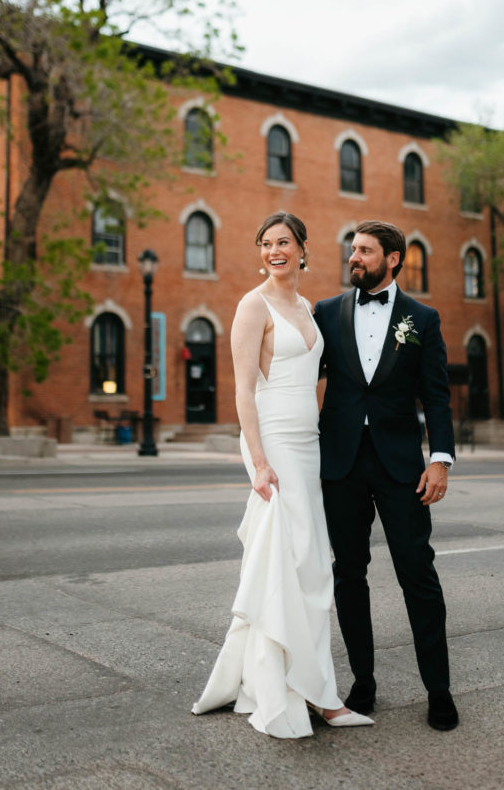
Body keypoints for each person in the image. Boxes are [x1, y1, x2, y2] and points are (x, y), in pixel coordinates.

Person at [191, 212, 373, 738]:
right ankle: (311, 696)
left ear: (302, 249)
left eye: (284, 242)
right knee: (299, 560)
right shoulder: (254, 305)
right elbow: (243, 390)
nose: (275, 250)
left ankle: (302, 685)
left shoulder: (309, 310)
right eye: (267, 243)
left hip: (308, 443)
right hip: (272, 442)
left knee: (310, 566)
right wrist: (260, 460)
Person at [313, 219, 459, 731]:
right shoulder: (326, 312)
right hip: (342, 464)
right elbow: (304, 378)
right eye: (353, 249)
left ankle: (438, 690)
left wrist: (440, 458)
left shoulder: (423, 317)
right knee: (348, 574)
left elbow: (437, 395)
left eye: (365, 251)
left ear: (392, 259)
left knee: (417, 573)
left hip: (402, 468)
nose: (354, 258)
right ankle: (363, 683)